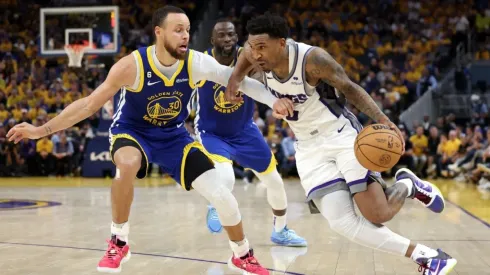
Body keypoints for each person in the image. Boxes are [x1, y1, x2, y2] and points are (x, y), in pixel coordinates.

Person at [7, 6, 294, 275]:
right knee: (127, 164)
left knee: (220, 193)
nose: (185, 36)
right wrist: (40, 130)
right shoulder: (131, 66)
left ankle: (241, 254)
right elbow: (88, 105)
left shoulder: (195, 63)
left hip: (174, 137)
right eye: (178, 30)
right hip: (133, 133)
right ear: (159, 32)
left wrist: (273, 100)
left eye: (187, 30)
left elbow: (239, 80)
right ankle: (119, 241)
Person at [224, 13, 457, 275]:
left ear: (282, 43)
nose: (256, 55)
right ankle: (428, 256)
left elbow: (349, 88)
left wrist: (383, 119)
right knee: (340, 222)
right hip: (307, 148)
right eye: (253, 48)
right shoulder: (253, 53)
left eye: (262, 48)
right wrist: (235, 79)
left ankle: (408, 185)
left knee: (377, 214)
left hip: (341, 136)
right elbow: (244, 55)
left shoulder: (312, 60)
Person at [194, 19, 307, 246]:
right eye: (222, 35)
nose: (228, 39)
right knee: (226, 176)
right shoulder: (200, 62)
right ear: (212, 40)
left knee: (275, 181)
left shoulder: (250, 58)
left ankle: (280, 230)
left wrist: (276, 100)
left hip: (245, 131)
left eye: (232, 35)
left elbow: (255, 86)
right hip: (212, 132)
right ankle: (216, 203)